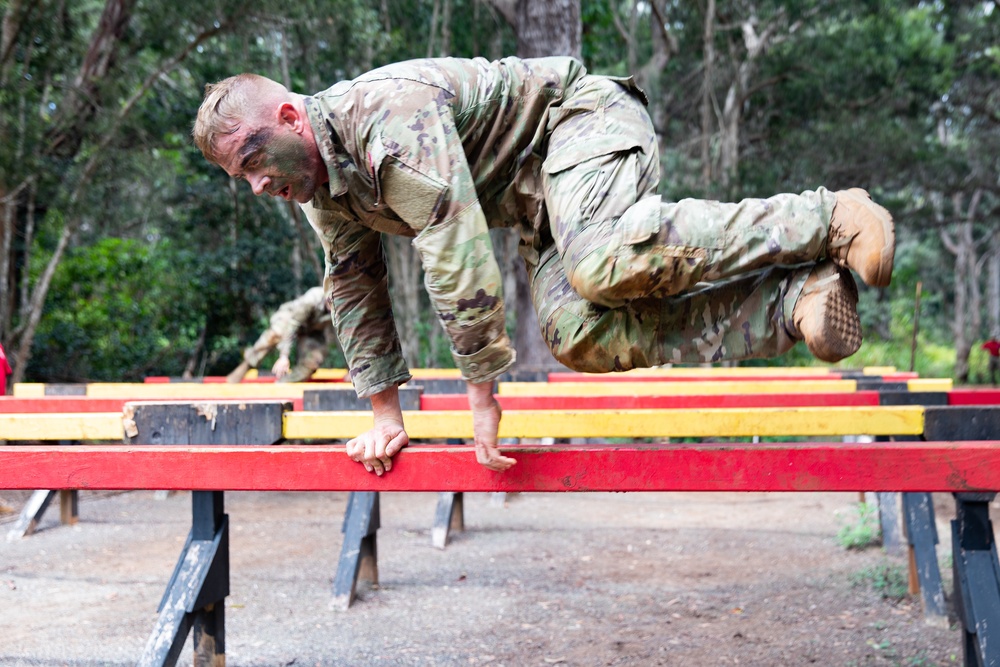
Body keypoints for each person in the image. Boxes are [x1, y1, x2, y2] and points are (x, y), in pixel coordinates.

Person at [194, 56, 895, 474]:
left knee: (599, 259)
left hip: (576, 120)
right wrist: (385, 416)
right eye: (241, 177)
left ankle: (830, 215)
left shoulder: (385, 118)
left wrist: (481, 391)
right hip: (540, 202)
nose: (258, 185)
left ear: (289, 117)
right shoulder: (324, 191)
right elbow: (354, 292)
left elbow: (453, 240)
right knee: (573, 332)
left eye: (255, 158)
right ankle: (795, 302)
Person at [227, 286, 337, 383]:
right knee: (274, 335)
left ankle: (286, 382)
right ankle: (241, 371)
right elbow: (292, 326)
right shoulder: (311, 299)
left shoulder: (341, 306)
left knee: (315, 358)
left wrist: (351, 369)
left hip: (311, 330)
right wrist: (284, 356)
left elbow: (345, 336)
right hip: (289, 319)